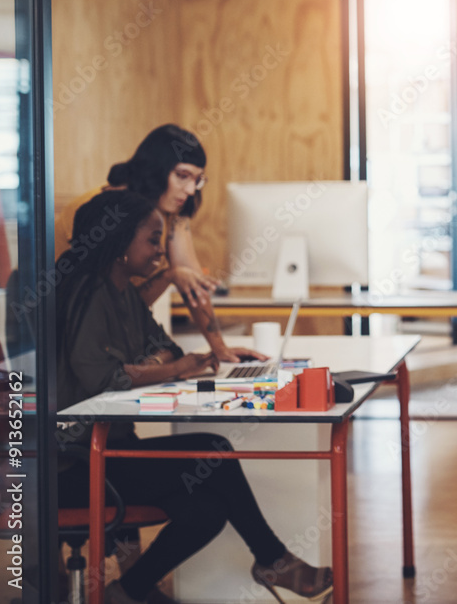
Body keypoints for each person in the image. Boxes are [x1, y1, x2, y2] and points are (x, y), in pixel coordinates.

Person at [56, 191, 332, 604]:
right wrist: (172, 369)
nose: (160, 252)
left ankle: (124, 593)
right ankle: (273, 561)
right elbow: (104, 379)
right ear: (118, 246)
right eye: (152, 240)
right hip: (73, 468)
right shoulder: (89, 293)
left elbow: (165, 346)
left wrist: (158, 366)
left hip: (109, 453)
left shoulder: (122, 292)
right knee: (214, 451)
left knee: (204, 511)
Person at [54, 124, 264, 363]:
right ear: (154, 170)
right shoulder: (98, 210)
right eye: (182, 176)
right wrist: (169, 275)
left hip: (118, 335)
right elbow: (107, 308)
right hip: (74, 341)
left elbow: (194, 287)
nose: (191, 189)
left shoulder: (171, 214)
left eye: (197, 179)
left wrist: (220, 349)